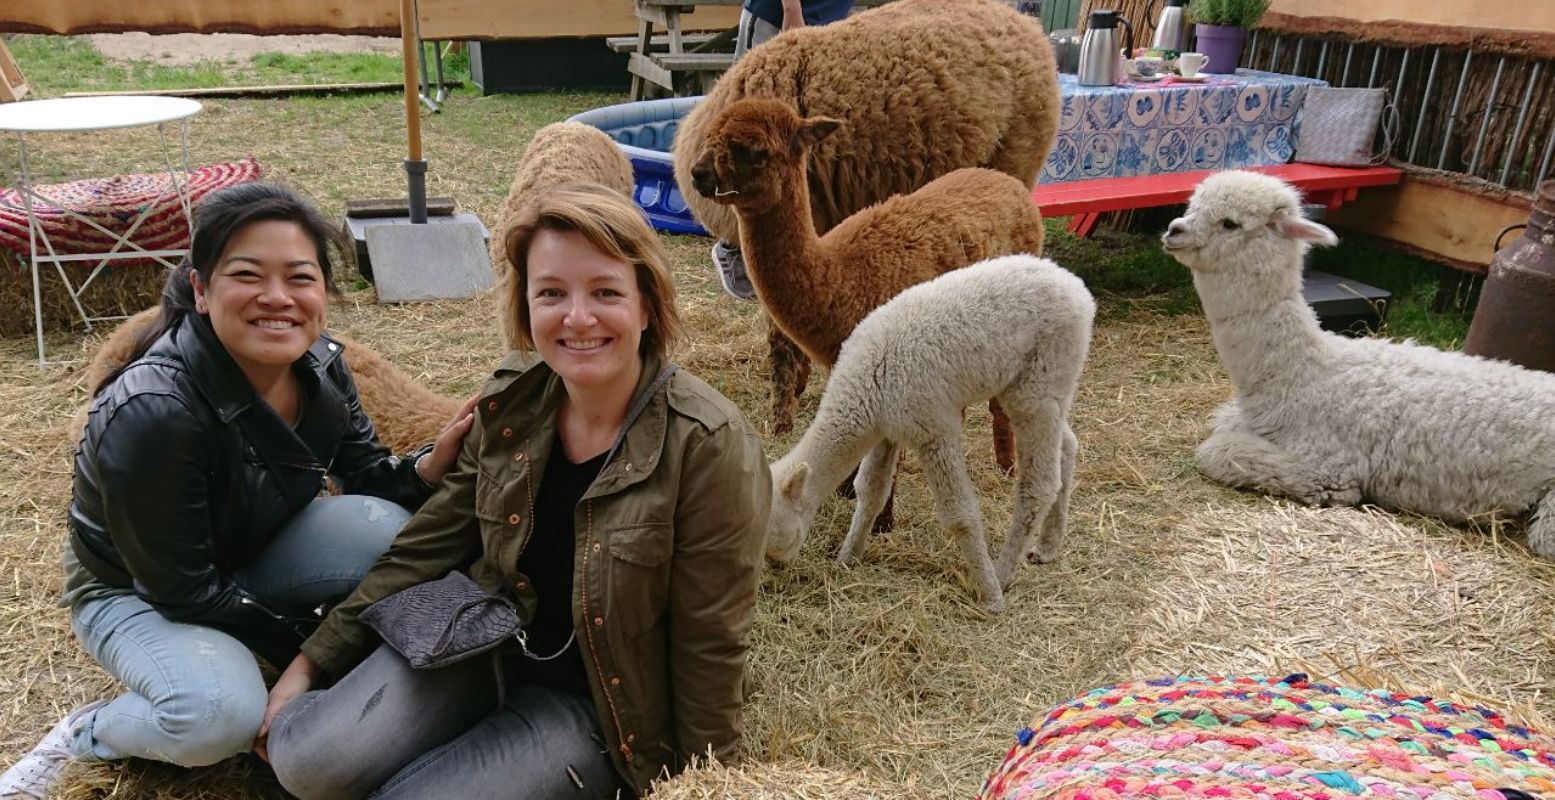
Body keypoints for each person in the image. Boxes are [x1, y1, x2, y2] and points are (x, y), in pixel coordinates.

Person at [263, 182, 771, 800]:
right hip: (484, 638)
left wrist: (705, 785)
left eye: (605, 292)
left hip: (599, 704)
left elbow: (710, 639)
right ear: (526, 306)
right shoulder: (515, 398)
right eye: (551, 293)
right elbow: (429, 542)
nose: (577, 318)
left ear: (646, 304)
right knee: (304, 762)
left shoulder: (707, 444)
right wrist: (312, 661)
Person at [0, 182, 473, 800]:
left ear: (324, 293)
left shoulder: (324, 368)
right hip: (138, 588)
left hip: (247, 546)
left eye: (300, 277)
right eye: (249, 275)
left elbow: (364, 475)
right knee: (216, 718)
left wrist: (430, 466)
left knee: (384, 524)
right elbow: (182, 588)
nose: (277, 298)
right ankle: (89, 735)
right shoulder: (154, 411)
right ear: (201, 289)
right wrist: (314, 656)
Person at [713, 0, 857, 300]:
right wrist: (792, 11)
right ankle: (731, 243)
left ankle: (794, 242)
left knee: (795, 136)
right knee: (748, 124)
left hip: (827, 24)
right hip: (779, 20)